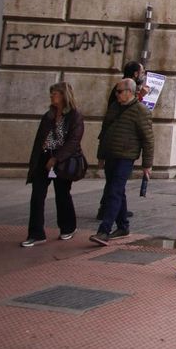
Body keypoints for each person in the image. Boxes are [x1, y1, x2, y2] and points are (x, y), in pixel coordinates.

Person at [91, 76, 152, 245]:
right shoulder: (114, 107)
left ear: (129, 92)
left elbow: (148, 139)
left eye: (119, 91)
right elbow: (104, 132)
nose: (116, 94)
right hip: (111, 154)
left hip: (126, 156)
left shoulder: (141, 111)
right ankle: (123, 226)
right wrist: (101, 155)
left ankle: (104, 230)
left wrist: (147, 164)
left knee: (114, 191)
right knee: (117, 190)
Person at [23, 82, 85, 247]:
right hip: (44, 158)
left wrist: (56, 158)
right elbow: (39, 140)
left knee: (62, 194)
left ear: (64, 95)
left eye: (55, 93)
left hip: (62, 161)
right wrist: (35, 162)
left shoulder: (74, 116)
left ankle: (68, 227)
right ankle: (36, 233)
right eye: (51, 93)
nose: (52, 96)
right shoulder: (49, 115)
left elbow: (73, 141)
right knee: (37, 196)